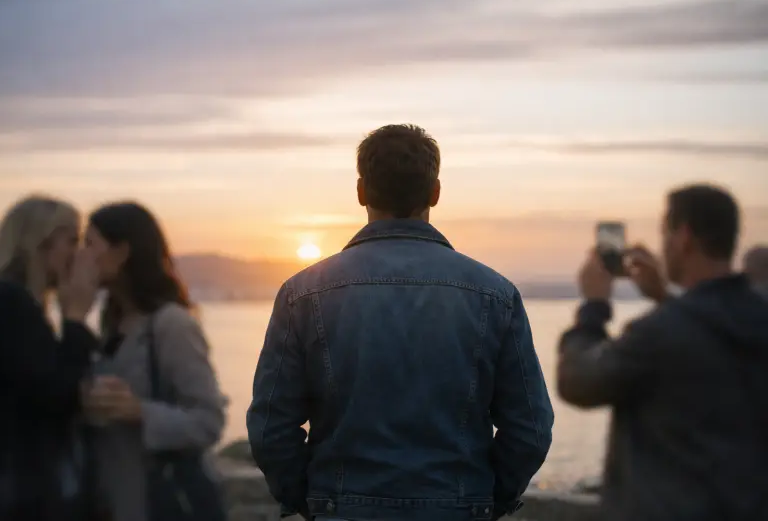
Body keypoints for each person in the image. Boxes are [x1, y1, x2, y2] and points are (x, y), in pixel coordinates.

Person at [248, 124, 554, 521]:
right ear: (435, 193)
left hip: (340, 509)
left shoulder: (302, 294)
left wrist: (310, 501)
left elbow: (271, 428)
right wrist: (485, 500)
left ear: (361, 192)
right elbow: (530, 426)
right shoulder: (495, 294)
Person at [557, 184, 768, 521]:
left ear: (683, 237)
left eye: (665, 232)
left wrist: (594, 307)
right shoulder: (755, 316)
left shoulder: (658, 334)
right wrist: (664, 296)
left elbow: (577, 381)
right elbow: (706, 338)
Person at [81, 202, 227, 521]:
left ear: (121, 252)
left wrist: (139, 412)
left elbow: (208, 420)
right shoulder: (110, 324)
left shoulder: (170, 324)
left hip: (156, 503)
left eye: (90, 243)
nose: (82, 256)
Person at [0, 195, 100, 521]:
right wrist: (76, 321)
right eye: (72, 240)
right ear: (40, 242)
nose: (78, 254)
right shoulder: (8, 304)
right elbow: (56, 396)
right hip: (7, 497)